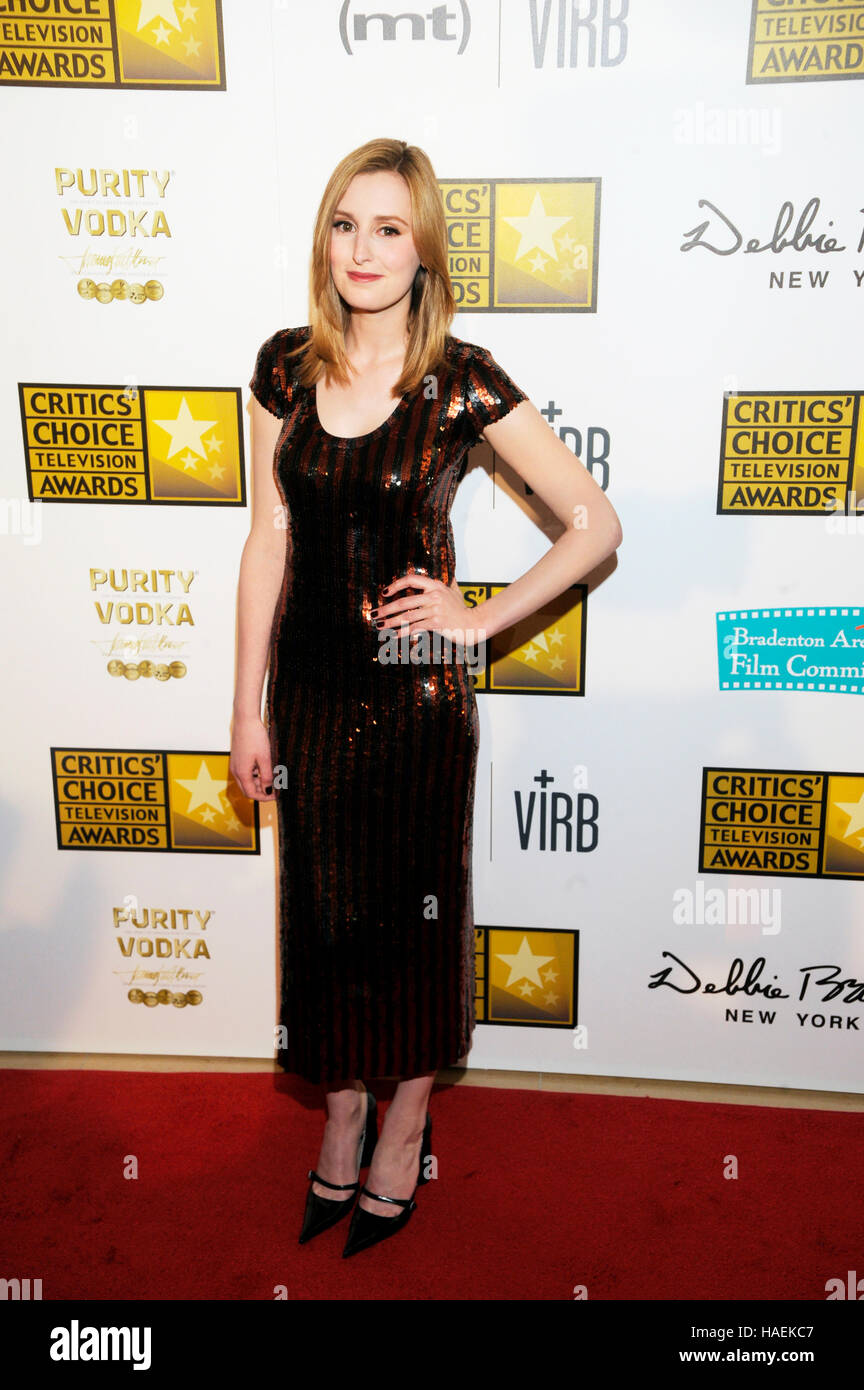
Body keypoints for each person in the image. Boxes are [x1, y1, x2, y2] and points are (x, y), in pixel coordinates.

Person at [230, 138, 622, 1258]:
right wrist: (245, 705)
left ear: (426, 249)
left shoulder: (460, 377)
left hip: (413, 703)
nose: (363, 248)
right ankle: (343, 1105)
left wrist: (481, 618)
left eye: (390, 228)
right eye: (346, 224)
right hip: (305, 689)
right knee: (322, 915)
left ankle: (406, 1113)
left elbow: (594, 523)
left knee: (409, 922)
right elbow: (268, 538)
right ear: (325, 238)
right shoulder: (283, 367)